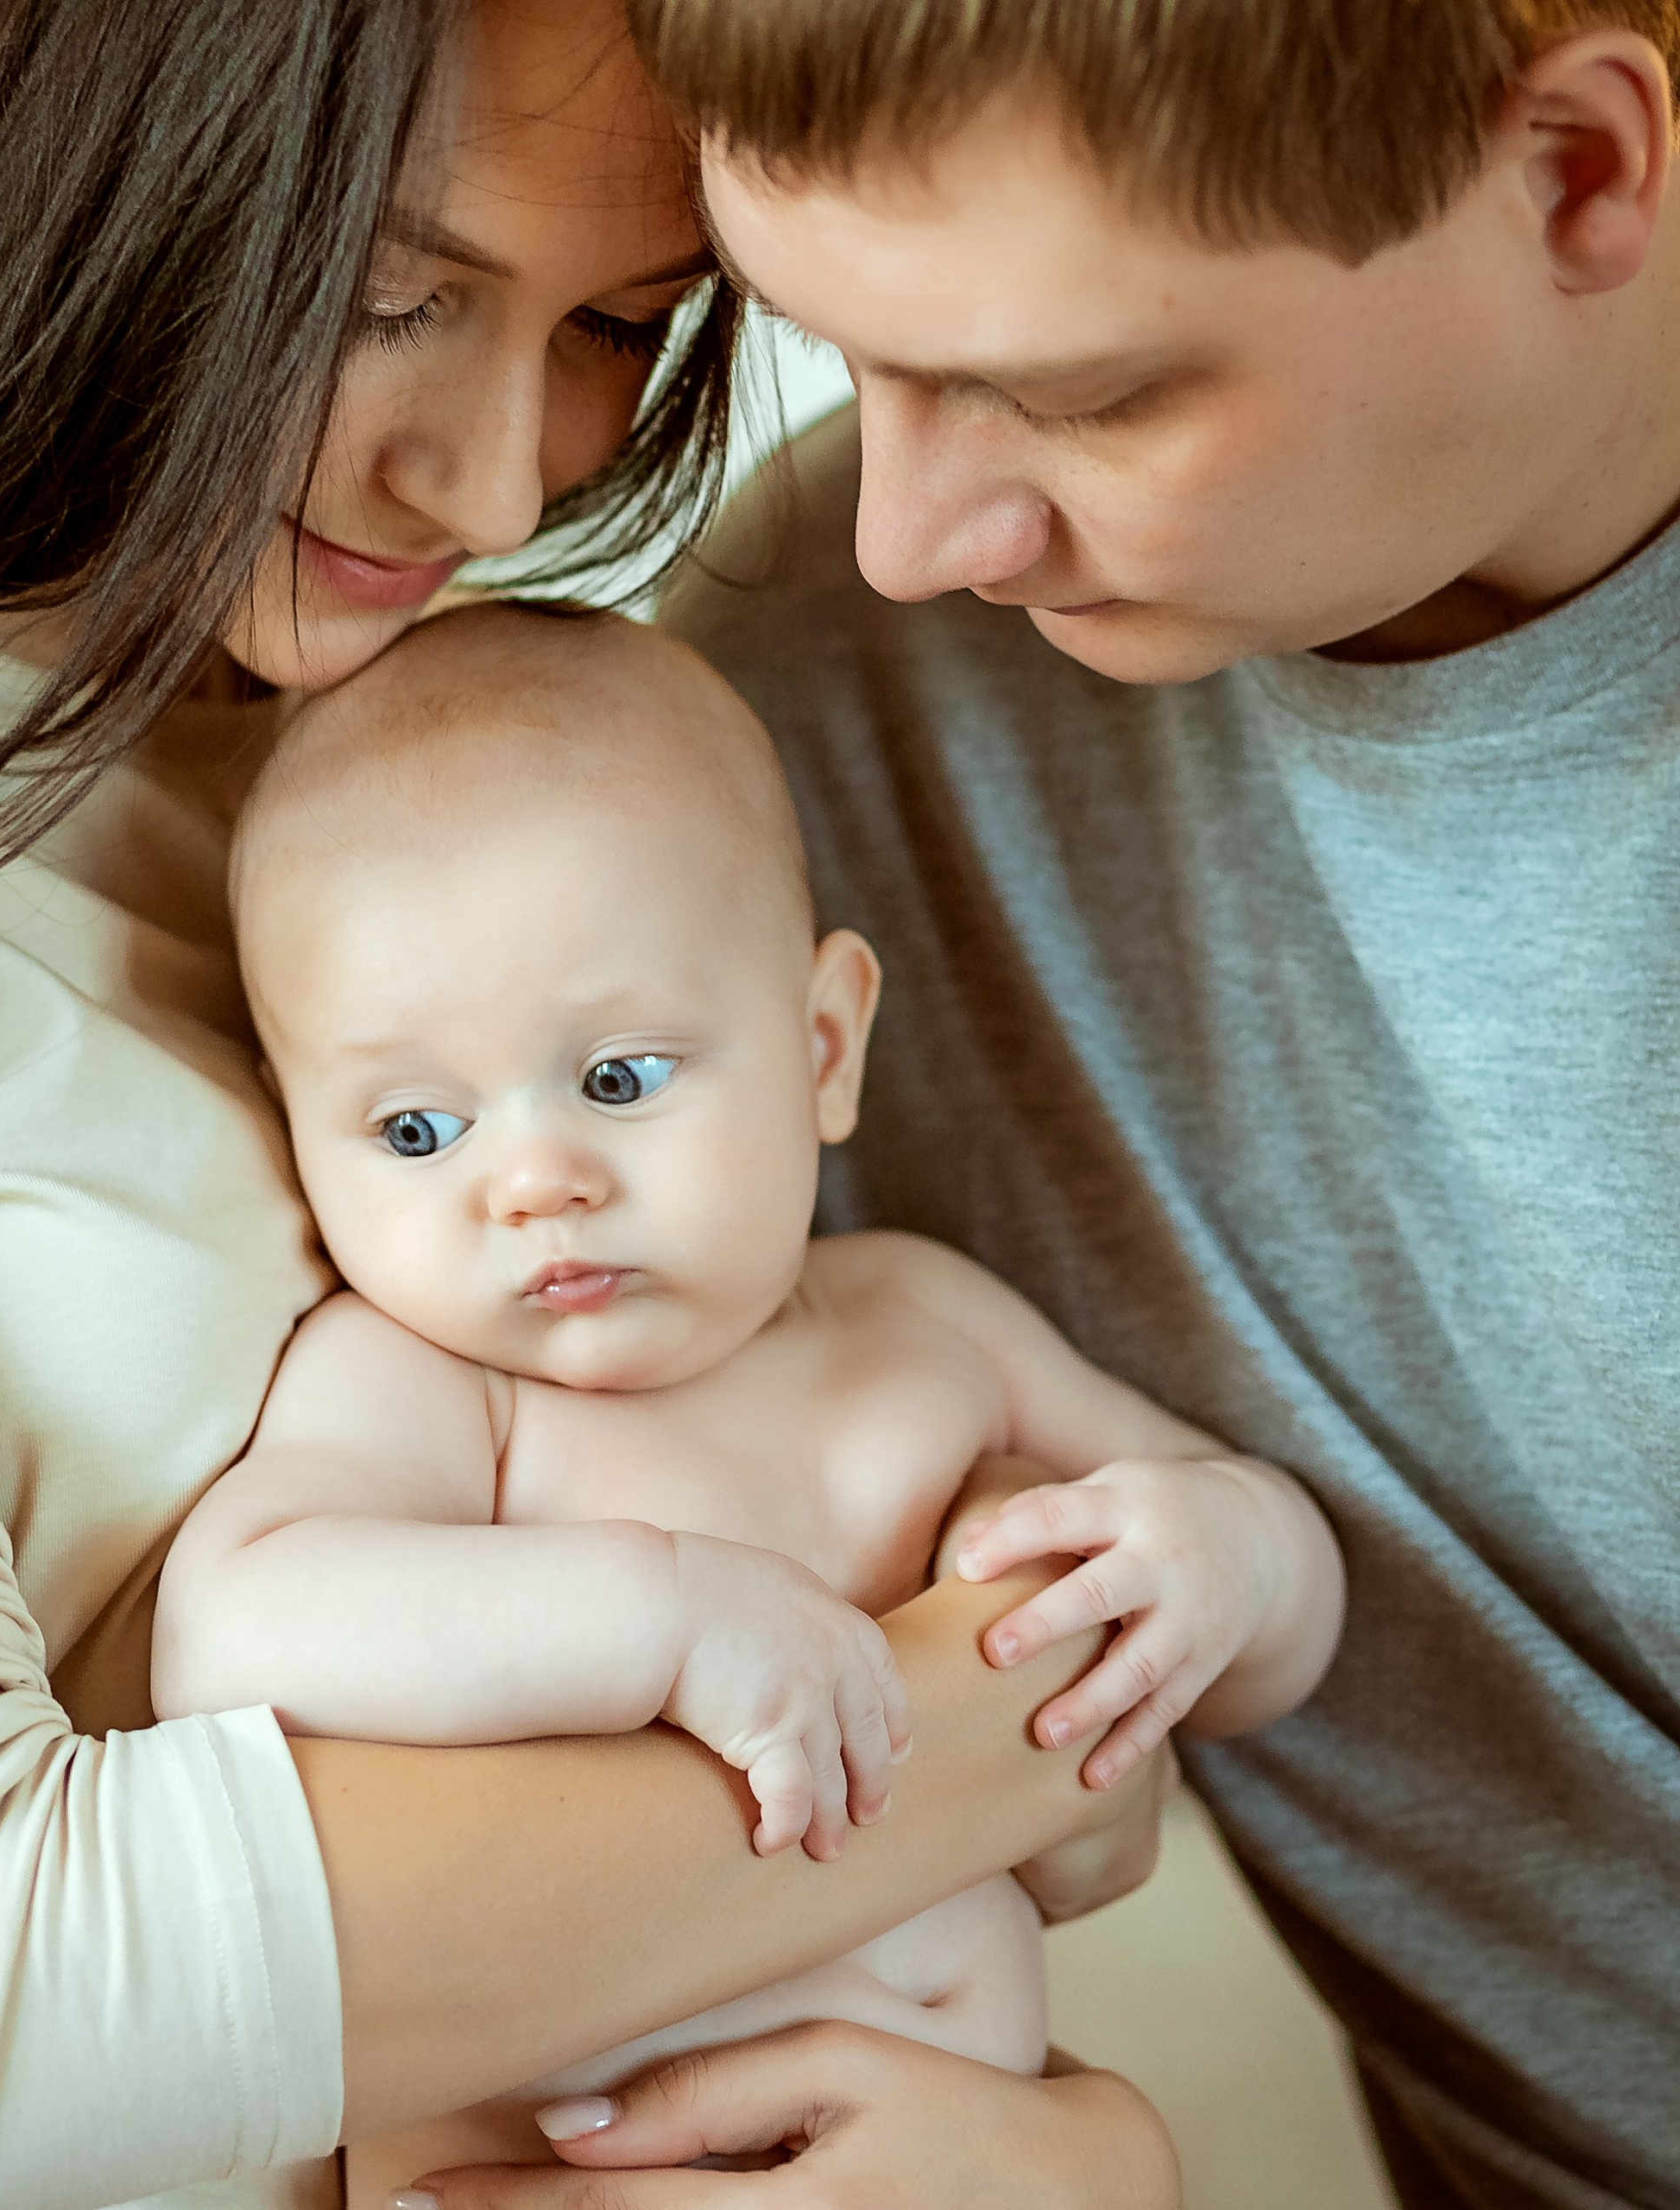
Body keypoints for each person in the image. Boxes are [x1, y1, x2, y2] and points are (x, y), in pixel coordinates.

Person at [0, 4, 1172, 2209]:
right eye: (385, 300)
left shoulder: (433, 787)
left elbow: (1085, 1798)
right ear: (43, 155)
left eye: (614, 329)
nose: (498, 490)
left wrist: (1076, 2155)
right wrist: (975, 1733)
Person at [419, 2, 1680, 2207]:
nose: (910, 533)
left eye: (1078, 393)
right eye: (832, 355)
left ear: (1571, 172)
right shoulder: (796, 719)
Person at [150, 603, 1347, 2207]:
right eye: (417, 1130)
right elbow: (230, 1634)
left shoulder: (925, 1327)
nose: (535, 1183)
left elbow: (1266, 1635)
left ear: (823, 1044)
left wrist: (1235, 1552)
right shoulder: (430, 1388)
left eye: (618, 1079)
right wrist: (661, 1618)